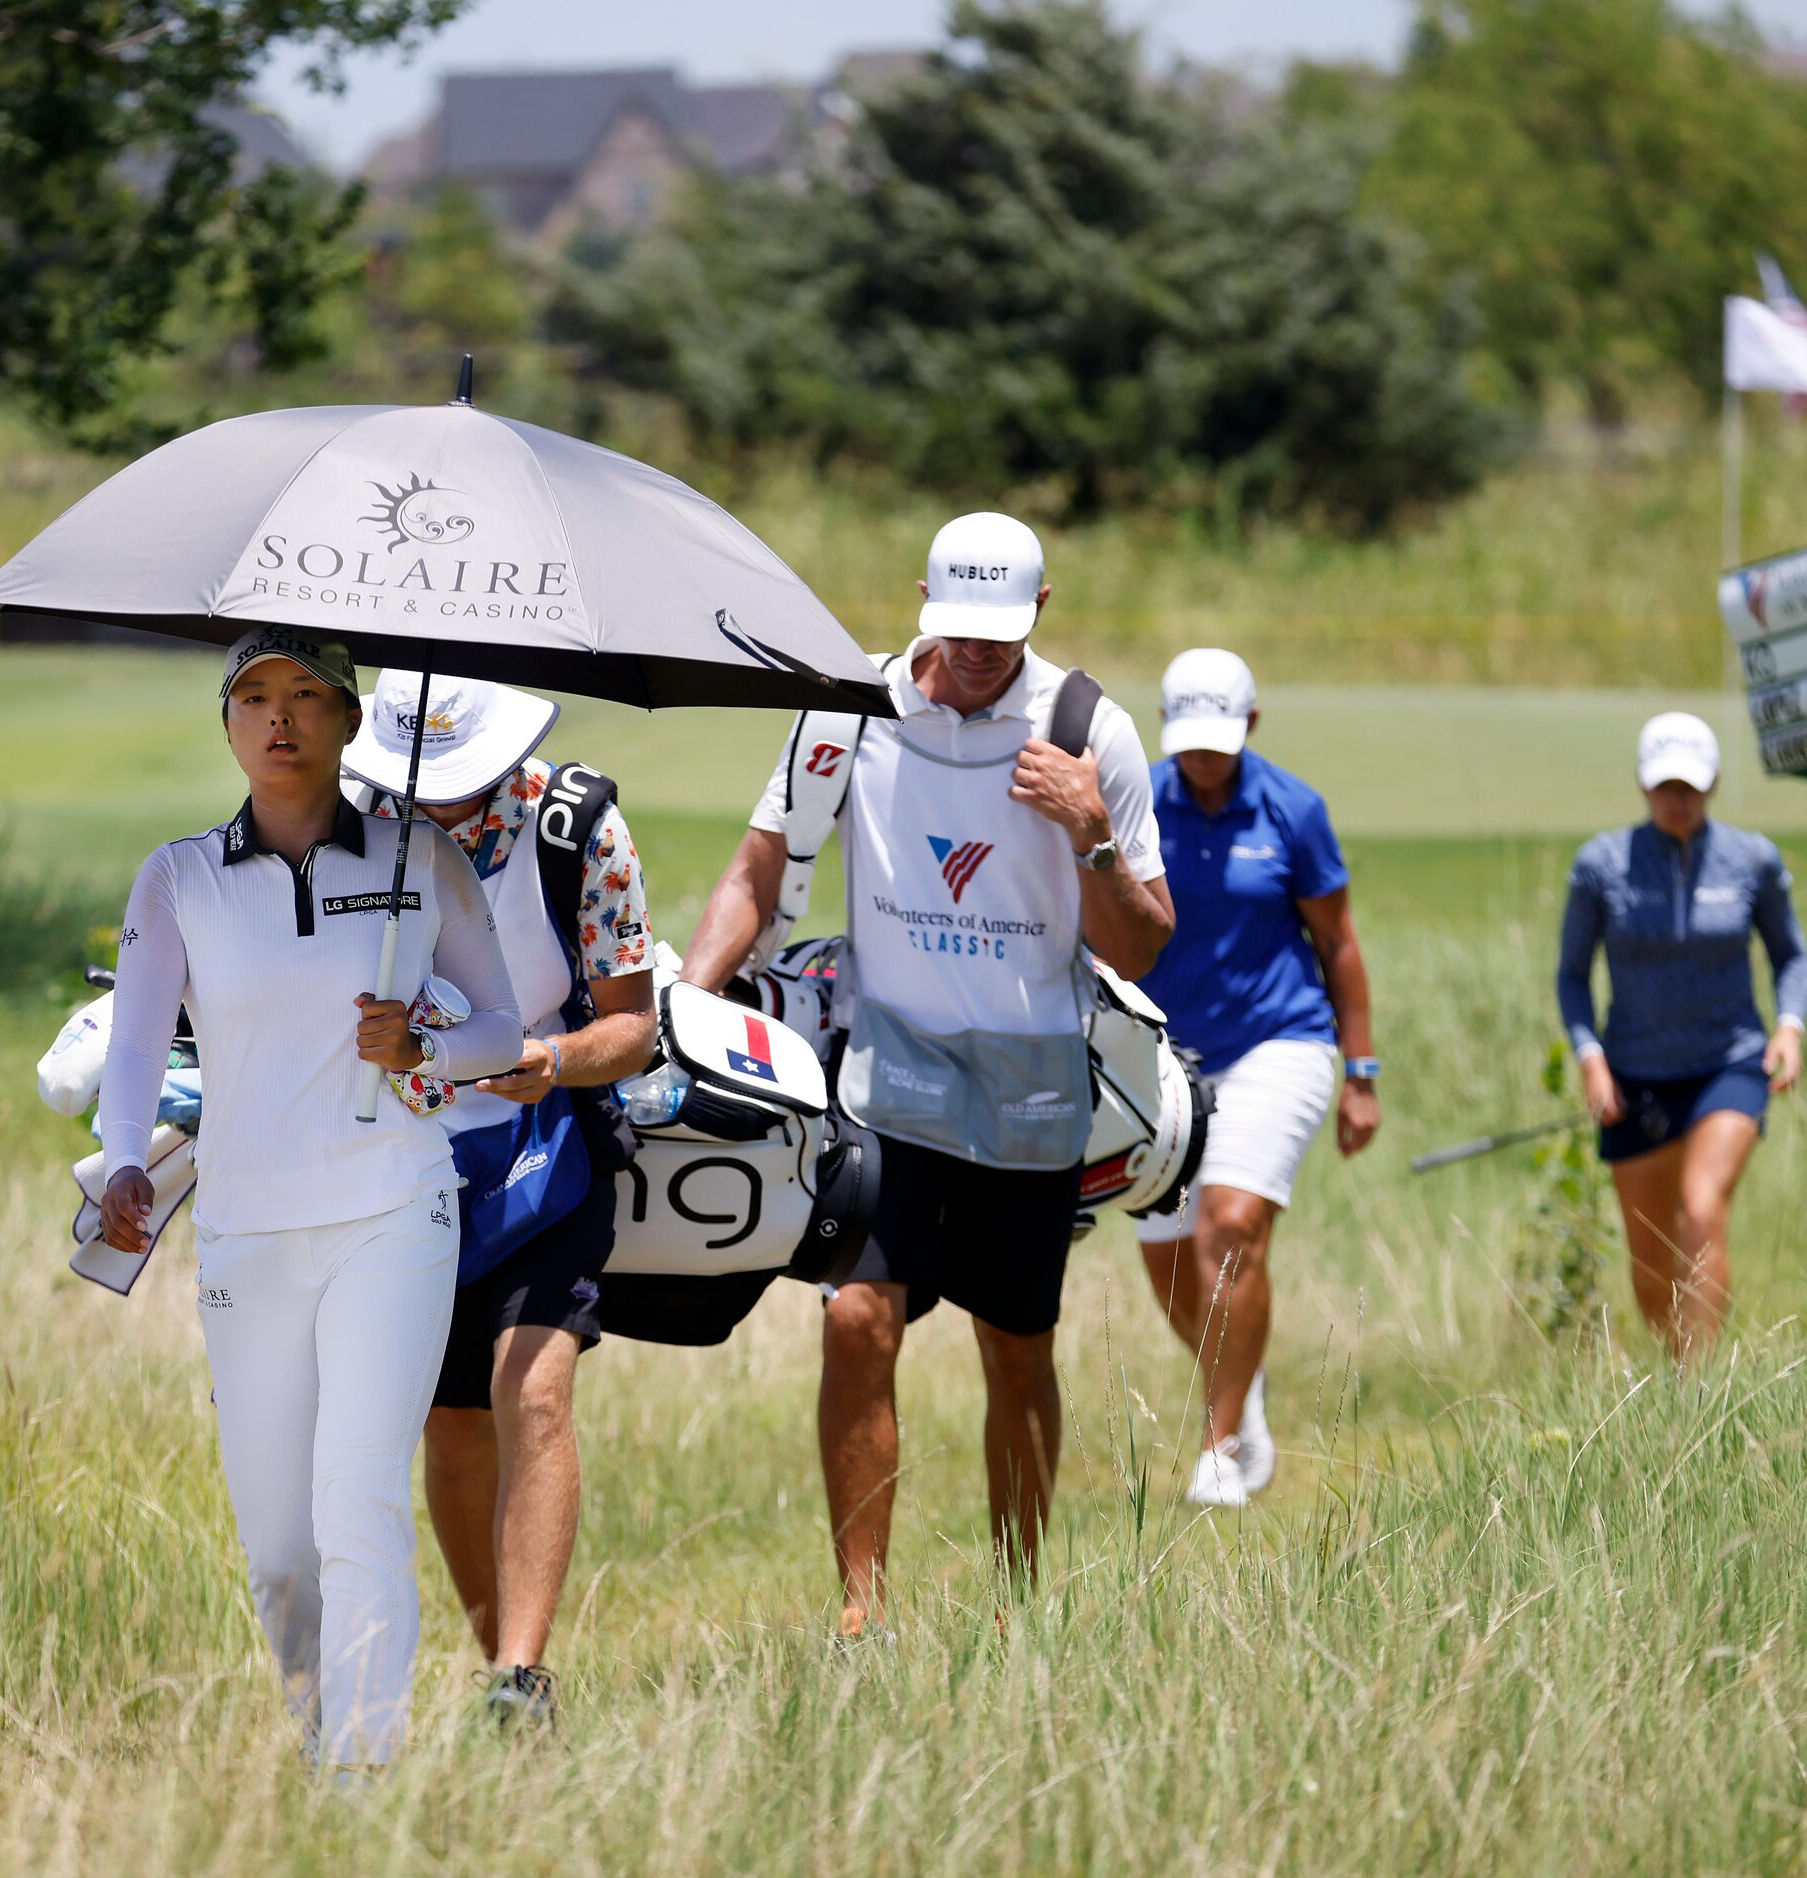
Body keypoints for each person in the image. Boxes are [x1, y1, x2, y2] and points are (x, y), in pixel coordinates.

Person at [678, 511, 1172, 1633]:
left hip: (1030, 1092)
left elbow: (1142, 945)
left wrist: (1089, 832)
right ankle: (862, 1615)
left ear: (1040, 613)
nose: (976, 654)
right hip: (884, 1078)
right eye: (956, 629)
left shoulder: (1087, 728)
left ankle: (1015, 1604)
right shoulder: (847, 708)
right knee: (855, 1317)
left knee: (1016, 1345)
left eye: (1001, 632)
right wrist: (691, 1006)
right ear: (920, 602)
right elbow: (758, 871)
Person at [95, 627, 523, 1774]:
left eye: (305, 696)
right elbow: (134, 1049)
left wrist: (421, 1039)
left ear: (347, 719)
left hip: (392, 1216)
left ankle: (360, 1783)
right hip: (246, 1231)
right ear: (227, 725)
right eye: (251, 697)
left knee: (358, 1500)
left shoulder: (416, 857)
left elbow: (502, 1033)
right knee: (279, 1549)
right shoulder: (176, 876)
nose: (278, 718)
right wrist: (123, 1161)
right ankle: (320, 1734)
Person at [340, 674, 657, 1729]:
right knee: (450, 1424)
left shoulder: (579, 828)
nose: (434, 807)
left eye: (458, 786)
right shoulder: (351, 821)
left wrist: (552, 1060)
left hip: (545, 1145)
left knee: (531, 1391)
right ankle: (499, 1672)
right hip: (399, 1155)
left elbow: (631, 1027)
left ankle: (520, 1678)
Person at [1130, 649, 1378, 1507]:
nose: (1204, 758)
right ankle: (1245, 1378)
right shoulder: (1136, 801)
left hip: (1281, 1041)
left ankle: (1221, 1446)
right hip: (1162, 1058)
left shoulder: (1293, 810)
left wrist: (1363, 1069)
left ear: (1252, 727)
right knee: (1166, 1259)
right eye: (1189, 742)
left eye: (1221, 741)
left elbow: (1338, 943)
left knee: (1228, 1225)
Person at [1556, 712, 1807, 1360]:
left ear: (1714, 783)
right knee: (1650, 1260)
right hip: (1634, 1076)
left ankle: (1700, 1389)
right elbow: (1573, 976)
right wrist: (1591, 1059)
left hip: (1728, 1064)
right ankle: (1677, 1374)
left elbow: (1792, 956)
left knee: (1699, 1212)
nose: (1678, 800)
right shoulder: (1601, 864)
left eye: (1691, 787)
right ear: (1643, 786)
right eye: (1666, 786)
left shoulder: (1752, 859)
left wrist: (1789, 1025)